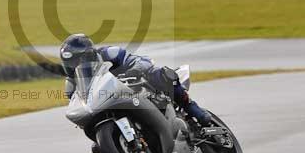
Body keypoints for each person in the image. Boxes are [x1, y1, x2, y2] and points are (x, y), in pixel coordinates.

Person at [59, 33, 213, 126]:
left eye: (79, 60)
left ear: (90, 54)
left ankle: (194, 109)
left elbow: (140, 61)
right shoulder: (71, 84)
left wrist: (135, 70)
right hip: (109, 102)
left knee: (163, 74)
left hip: (137, 87)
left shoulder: (109, 53)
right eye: (71, 63)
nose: (76, 65)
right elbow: (78, 102)